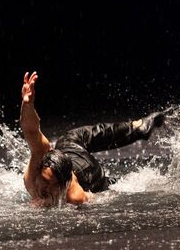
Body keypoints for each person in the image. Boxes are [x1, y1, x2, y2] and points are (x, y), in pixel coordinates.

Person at [20, 71, 167, 206]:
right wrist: (28, 104)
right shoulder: (38, 161)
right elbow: (31, 130)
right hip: (67, 148)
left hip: (84, 168)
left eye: (52, 185)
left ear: (63, 185)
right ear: (39, 169)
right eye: (44, 180)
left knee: (103, 186)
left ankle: (137, 128)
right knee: (68, 138)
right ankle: (137, 128)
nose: (44, 189)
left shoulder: (74, 196)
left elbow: (98, 198)